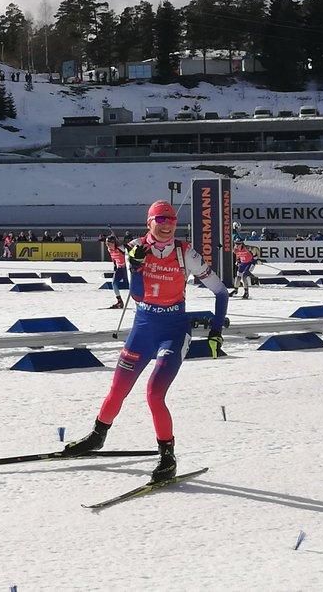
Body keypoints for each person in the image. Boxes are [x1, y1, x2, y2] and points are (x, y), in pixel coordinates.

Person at [63, 200, 230, 483]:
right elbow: (138, 295)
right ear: (149, 222)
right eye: (160, 220)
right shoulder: (136, 247)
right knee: (117, 389)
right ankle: (97, 436)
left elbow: (221, 292)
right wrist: (137, 266)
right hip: (142, 330)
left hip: (173, 331)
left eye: (171, 221)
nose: (166, 225)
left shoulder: (185, 252)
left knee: (154, 393)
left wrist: (216, 330)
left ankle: (167, 457)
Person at [105, 235, 126, 309]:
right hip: (120, 268)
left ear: (114, 243)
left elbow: (129, 253)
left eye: (109, 244)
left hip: (127, 269)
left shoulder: (120, 248)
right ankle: (119, 301)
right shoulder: (109, 249)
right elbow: (113, 258)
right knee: (114, 283)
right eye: (107, 244)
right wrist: (114, 266)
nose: (108, 246)